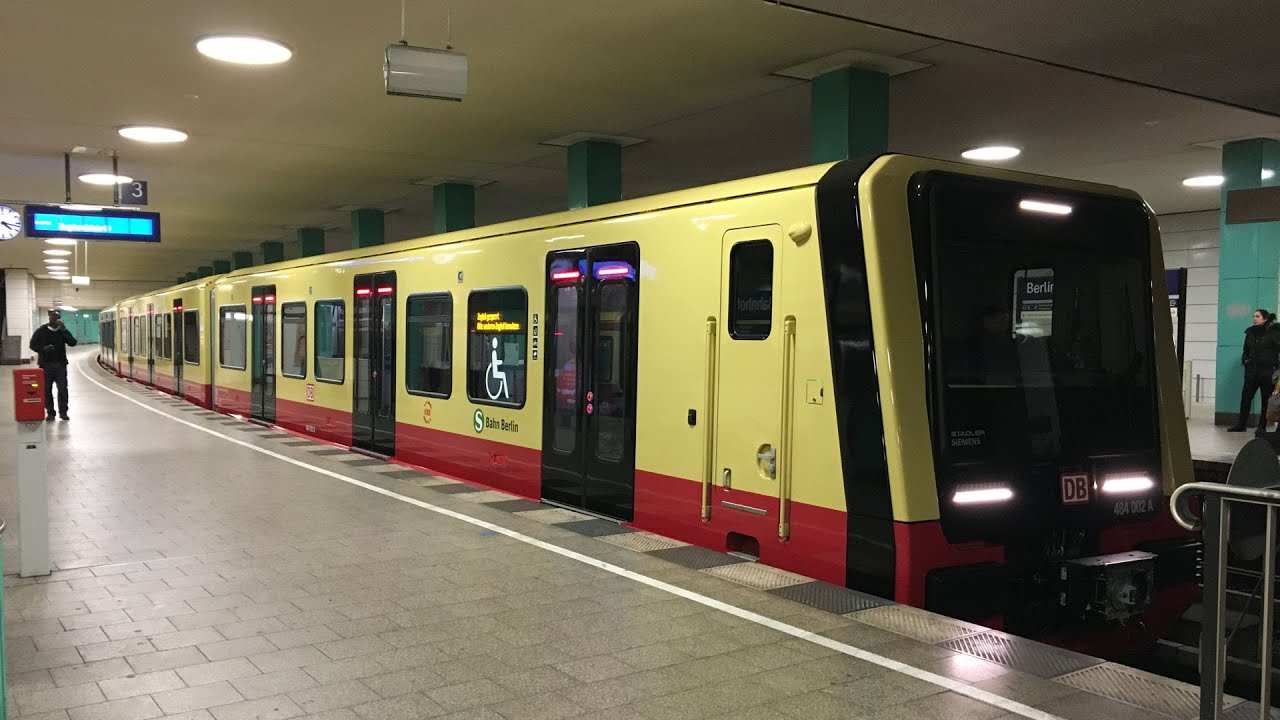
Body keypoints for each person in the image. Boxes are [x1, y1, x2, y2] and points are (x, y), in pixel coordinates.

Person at [1229, 309, 1280, 433]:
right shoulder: (1250, 332)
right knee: (1246, 398)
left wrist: (1276, 367)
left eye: (1257, 316)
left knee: (1265, 400)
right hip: (1252, 371)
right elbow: (1245, 351)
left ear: (1265, 318)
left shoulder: (1274, 333)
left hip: (1267, 371)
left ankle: (1262, 426)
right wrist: (1245, 361)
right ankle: (1241, 425)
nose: (1254, 318)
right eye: (1254, 316)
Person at [28, 310, 78, 421]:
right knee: (46, 389)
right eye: (52, 319)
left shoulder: (62, 331)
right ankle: (50, 413)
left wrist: (64, 330)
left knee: (62, 389)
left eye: (57, 319)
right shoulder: (41, 331)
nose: (55, 321)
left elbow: (73, 343)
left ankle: (63, 412)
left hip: (60, 364)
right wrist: (43, 349)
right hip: (46, 365)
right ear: (49, 319)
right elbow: (32, 345)